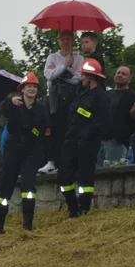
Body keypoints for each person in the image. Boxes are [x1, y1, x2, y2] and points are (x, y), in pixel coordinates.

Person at [0, 72, 49, 234]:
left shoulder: (41, 109)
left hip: (31, 153)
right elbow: (2, 108)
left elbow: (44, 130)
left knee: (29, 187)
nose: (32, 89)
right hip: (12, 152)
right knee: (5, 189)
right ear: (22, 89)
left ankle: (28, 226)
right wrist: (11, 101)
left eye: (34, 86)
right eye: (29, 86)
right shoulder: (13, 104)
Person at [57, 59, 109, 217]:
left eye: (83, 75)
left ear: (91, 77)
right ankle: (73, 207)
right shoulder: (80, 93)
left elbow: (99, 122)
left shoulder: (101, 97)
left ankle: (83, 209)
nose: (81, 78)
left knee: (85, 179)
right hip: (71, 141)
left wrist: (85, 133)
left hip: (88, 144)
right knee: (63, 178)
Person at [40, 30, 84, 174]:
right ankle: (51, 161)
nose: (66, 42)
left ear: (72, 41)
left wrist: (59, 74)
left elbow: (77, 78)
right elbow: (48, 75)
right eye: (63, 39)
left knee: (68, 130)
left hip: (70, 99)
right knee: (53, 129)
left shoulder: (79, 58)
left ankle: (66, 162)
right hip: (54, 99)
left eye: (68, 39)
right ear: (59, 41)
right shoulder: (52, 57)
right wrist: (65, 66)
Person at [100, 65, 135, 167]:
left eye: (124, 74)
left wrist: (119, 138)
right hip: (100, 141)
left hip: (117, 144)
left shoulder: (132, 96)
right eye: (118, 72)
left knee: (112, 175)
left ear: (130, 79)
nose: (120, 75)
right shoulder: (107, 94)